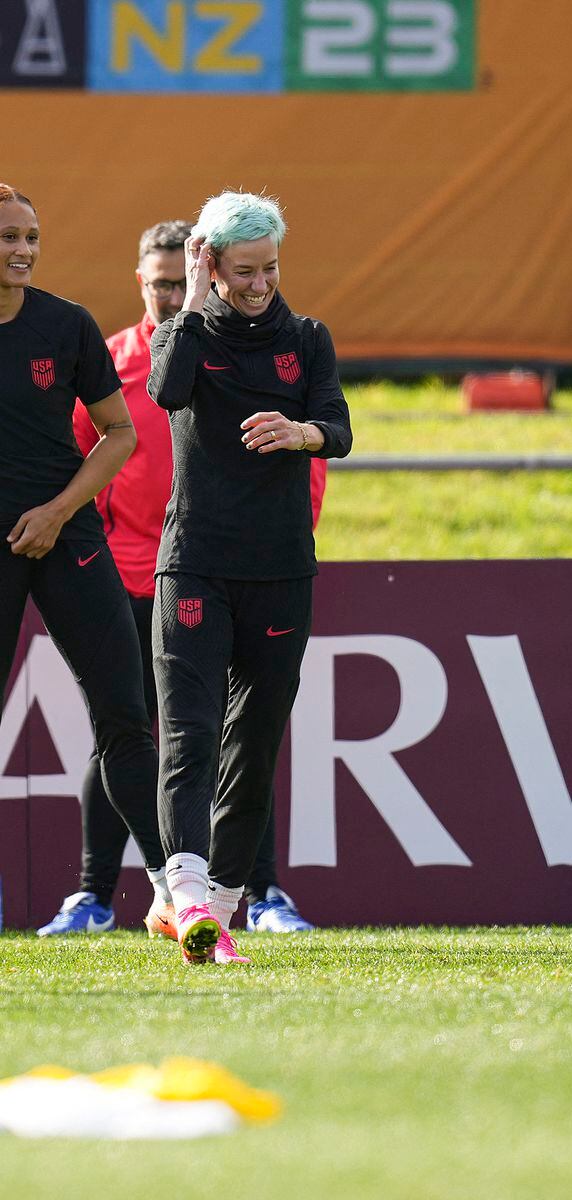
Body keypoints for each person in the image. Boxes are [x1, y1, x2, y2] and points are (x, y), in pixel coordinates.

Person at [37, 220, 327, 938]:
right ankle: (95, 894)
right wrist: (89, 547)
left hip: (234, 565)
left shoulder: (250, 341)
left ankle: (260, 893)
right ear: (141, 281)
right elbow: (76, 454)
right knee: (126, 734)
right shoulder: (114, 360)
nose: (172, 295)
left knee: (240, 734)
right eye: (161, 283)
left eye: (181, 281)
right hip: (129, 575)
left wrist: (291, 528)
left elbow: (309, 459)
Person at [148, 192, 351, 965]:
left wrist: (301, 432)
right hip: (196, 562)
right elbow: (166, 391)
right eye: (243, 270)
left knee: (255, 745)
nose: (260, 283)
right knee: (192, 737)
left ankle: (217, 913)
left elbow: (339, 426)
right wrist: (194, 303)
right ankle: (188, 896)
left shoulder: (307, 339)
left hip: (280, 569)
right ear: (211, 264)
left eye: (270, 266)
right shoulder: (189, 333)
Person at [0, 183, 167, 908]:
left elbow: (119, 432)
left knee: (125, 717)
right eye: (9, 237)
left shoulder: (65, 326)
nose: (23, 251)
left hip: (69, 538)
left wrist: (59, 511)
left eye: (31, 237)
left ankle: (175, 895)